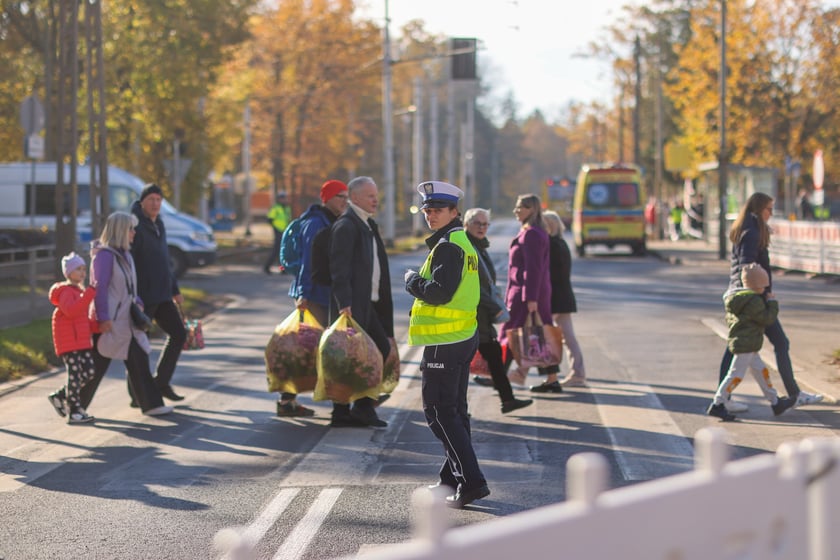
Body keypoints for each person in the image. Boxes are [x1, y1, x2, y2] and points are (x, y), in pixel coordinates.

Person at [405, 180, 490, 509]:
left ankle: (471, 481)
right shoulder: (460, 241)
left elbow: (439, 292)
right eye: (427, 210)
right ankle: (451, 478)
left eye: (438, 210)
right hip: (461, 337)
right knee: (455, 411)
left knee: (439, 413)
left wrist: (412, 280)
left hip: (447, 341)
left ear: (454, 212)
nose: (431, 216)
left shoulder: (448, 246)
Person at [718, 192, 822, 412]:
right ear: (758, 210)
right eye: (769, 209)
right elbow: (747, 266)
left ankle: (726, 399)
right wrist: (762, 295)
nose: (771, 213)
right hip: (752, 300)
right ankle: (793, 394)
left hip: (745, 298)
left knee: (736, 347)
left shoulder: (748, 228)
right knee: (780, 343)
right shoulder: (752, 232)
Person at [279, 179, 349, 417]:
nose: (344, 201)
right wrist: (303, 294)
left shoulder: (331, 220)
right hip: (313, 297)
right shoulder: (315, 223)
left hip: (324, 295)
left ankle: (288, 400)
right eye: (340, 196)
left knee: (311, 350)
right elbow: (308, 263)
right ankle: (288, 401)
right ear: (326, 198)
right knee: (308, 350)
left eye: (346, 197)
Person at [90, 211, 171, 416]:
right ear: (120, 231)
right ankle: (69, 401)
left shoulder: (125, 254)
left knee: (138, 358)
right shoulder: (105, 256)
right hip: (111, 321)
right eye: (130, 229)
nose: (134, 233)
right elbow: (98, 289)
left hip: (126, 320)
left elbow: (129, 287)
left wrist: (139, 302)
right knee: (96, 366)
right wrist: (103, 317)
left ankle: (151, 404)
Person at [327, 176, 393, 428]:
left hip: (368, 303)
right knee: (349, 356)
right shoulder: (347, 225)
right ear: (354, 197)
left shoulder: (366, 224)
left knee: (372, 352)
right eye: (370, 196)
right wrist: (344, 302)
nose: (375, 200)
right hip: (352, 305)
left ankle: (359, 407)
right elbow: (339, 268)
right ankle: (346, 411)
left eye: (376, 195)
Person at [463, 207, 533, 414]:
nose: (482, 228)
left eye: (485, 224)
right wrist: (494, 307)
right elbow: (473, 286)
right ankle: (458, 406)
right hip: (474, 313)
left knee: (492, 357)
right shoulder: (469, 248)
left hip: (480, 313)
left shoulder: (479, 247)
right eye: (477, 223)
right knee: (470, 361)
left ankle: (507, 399)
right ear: (466, 225)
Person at [708, 264, 795, 421]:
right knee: (735, 375)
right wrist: (772, 303)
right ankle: (718, 404)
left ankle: (775, 402)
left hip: (748, 343)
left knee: (761, 373)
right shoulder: (753, 301)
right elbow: (767, 318)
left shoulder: (741, 299)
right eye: (763, 286)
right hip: (746, 345)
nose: (765, 289)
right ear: (756, 286)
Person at [499, 194, 562, 393]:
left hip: (527, 294)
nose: (516, 211)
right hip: (527, 293)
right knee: (536, 334)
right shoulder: (531, 232)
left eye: (521, 207)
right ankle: (551, 379)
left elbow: (533, 269)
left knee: (514, 334)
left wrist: (530, 298)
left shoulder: (532, 234)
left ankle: (497, 375)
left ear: (531, 210)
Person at [131, 184, 187, 403]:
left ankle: (161, 382)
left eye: (158, 200)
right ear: (142, 201)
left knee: (179, 334)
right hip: (143, 296)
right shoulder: (134, 224)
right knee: (139, 345)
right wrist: (134, 297)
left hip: (163, 293)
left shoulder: (159, 224)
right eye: (151, 199)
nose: (155, 204)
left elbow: (164, 260)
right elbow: (131, 262)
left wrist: (175, 289)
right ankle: (137, 394)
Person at [46, 252, 98, 424]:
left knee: (89, 372)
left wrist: (97, 327)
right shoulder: (65, 292)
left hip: (82, 341)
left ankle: (60, 396)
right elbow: (72, 311)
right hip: (69, 342)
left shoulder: (80, 292)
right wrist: (90, 293)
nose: (82, 273)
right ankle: (74, 411)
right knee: (75, 375)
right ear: (68, 273)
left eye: (84, 269)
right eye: (78, 269)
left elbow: (83, 317)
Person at [543, 210, 587, 387]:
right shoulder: (560, 243)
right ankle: (578, 372)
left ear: (551, 226)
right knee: (568, 338)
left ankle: (554, 374)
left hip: (556, 298)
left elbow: (552, 274)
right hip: (563, 297)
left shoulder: (552, 245)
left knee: (545, 336)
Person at [264, 191, 292, 274]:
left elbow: (288, 219)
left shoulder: (287, 208)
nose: (283, 200)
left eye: (284, 198)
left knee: (283, 251)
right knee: (277, 250)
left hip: (285, 231)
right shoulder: (275, 208)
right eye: (281, 198)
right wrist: (275, 228)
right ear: (279, 199)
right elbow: (270, 219)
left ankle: (282, 269)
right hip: (278, 231)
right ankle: (267, 267)